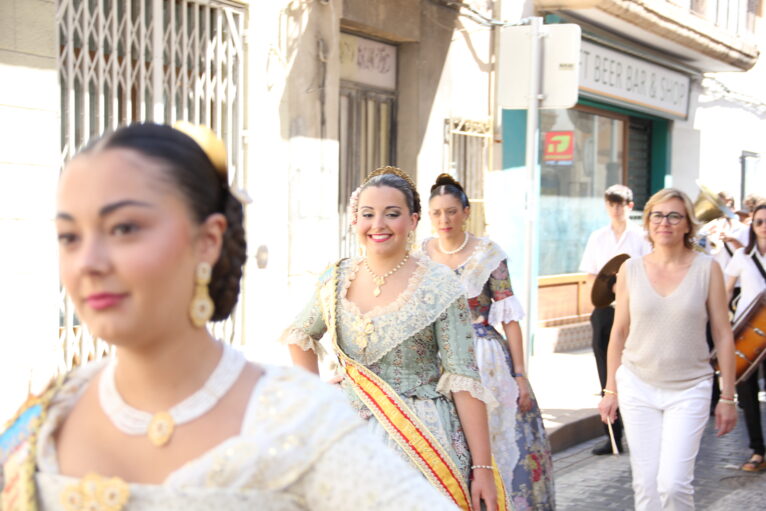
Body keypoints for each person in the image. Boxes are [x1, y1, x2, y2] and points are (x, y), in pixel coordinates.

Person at [0, 124, 459, 511]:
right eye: (69, 236)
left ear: (208, 241)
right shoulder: (44, 422)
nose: (89, 262)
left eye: (124, 228)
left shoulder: (298, 423)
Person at [282, 167, 506, 511]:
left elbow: (463, 380)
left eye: (392, 214)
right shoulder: (336, 278)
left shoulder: (440, 284)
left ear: (414, 220)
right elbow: (299, 335)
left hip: (423, 438)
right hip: (349, 436)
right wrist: (316, 398)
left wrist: (483, 469)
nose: (378, 225)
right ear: (354, 220)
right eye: (367, 214)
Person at [422, 174, 555, 511]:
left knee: (496, 443)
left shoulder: (489, 254)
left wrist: (520, 375)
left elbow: (509, 317)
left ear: (466, 212)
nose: (444, 220)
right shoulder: (421, 255)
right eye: (437, 213)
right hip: (436, 360)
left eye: (451, 212)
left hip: (486, 357)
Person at [599, 188, 737, 511]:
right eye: (657, 215)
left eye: (675, 215)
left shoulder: (707, 268)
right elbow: (618, 333)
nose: (665, 222)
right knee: (646, 486)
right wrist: (610, 389)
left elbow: (723, 333)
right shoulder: (630, 269)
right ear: (648, 222)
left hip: (690, 388)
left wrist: (728, 396)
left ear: (688, 224)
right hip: (637, 384)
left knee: (673, 484)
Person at [579, 184, 651, 455]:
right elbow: (590, 276)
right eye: (611, 203)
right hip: (605, 311)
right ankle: (612, 437)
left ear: (630, 206)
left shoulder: (642, 237)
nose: (615, 208)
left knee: (634, 370)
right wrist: (605, 290)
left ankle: (640, 433)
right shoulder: (597, 237)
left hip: (635, 312)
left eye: (620, 203)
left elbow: (647, 273)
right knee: (605, 372)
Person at [725, 202, 766, 472]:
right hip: (746, 333)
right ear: (752, 225)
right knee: (747, 394)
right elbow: (725, 292)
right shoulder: (741, 256)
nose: (763, 226)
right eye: (759, 221)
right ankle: (757, 451)